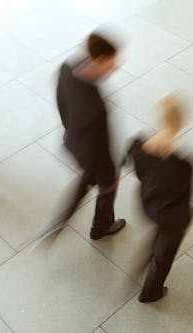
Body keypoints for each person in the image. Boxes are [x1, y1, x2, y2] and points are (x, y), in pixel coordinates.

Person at [54, 31, 126, 240]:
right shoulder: (95, 106)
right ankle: (101, 227)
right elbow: (101, 146)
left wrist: (66, 125)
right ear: (100, 60)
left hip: (73, 142)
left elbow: (61, 98)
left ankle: (61, 225)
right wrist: (110, 176)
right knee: (107, 186)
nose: (115, 67)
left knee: (87, 185)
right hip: (90, 154)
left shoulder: (67, 69)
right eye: (112, 63)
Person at [125, 93, 193, 302]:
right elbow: (184, 199)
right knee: (164, 254)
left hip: (147, 204)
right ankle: (151, 292)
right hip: (169, 216)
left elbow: (133, 166)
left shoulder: (137, 144)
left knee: (160, 235)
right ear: (180, 123)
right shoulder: (182, 164)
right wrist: (183, 224)